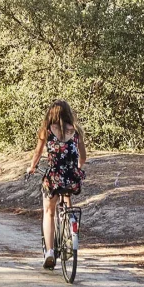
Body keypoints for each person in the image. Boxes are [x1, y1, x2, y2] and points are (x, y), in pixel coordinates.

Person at [26, 100, 87, 269]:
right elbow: (83, 157)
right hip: (71, 178)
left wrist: (32, 167)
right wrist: (77, 169)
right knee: (67, 198)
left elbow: (38, 153)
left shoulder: (47, 130)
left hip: (54, 177)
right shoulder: (76, 131)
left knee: (49, 212)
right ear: (68, 113)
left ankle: (50, 252)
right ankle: (70, 222)